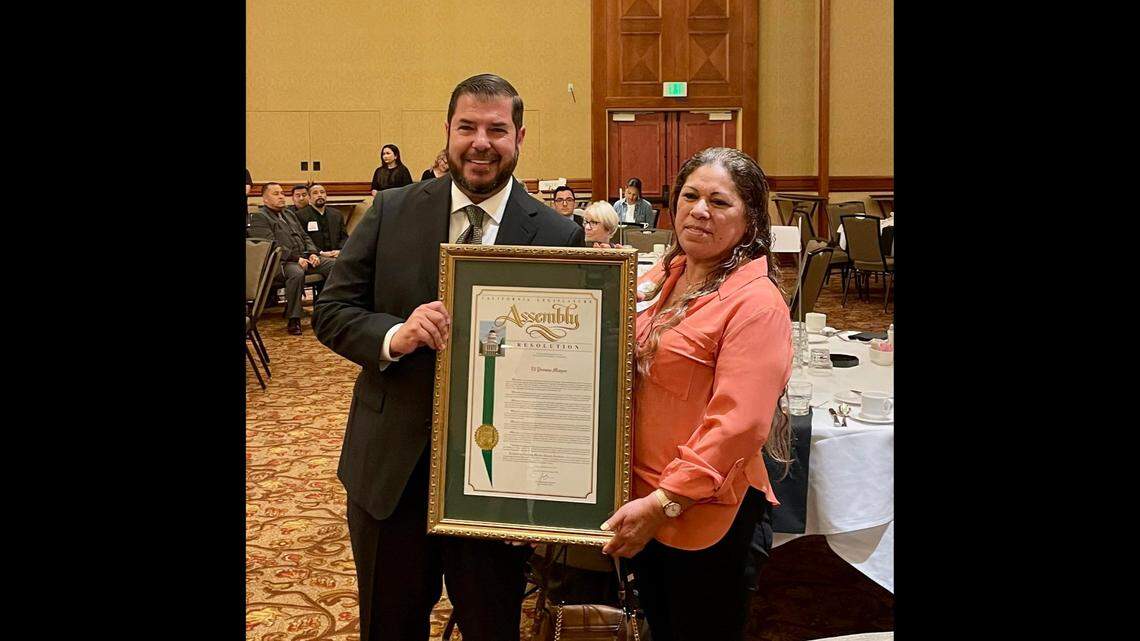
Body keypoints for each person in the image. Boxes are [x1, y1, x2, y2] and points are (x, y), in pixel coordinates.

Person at [312, 73, 584, 641]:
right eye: (467, 127)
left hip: (500, 487)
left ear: (520, 137)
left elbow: (574, 361)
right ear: (448, 132)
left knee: (492, 629)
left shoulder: (557, 231)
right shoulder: (389, 210)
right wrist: (395, 334)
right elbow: (332, 312)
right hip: (391, 477)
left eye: (496, 129)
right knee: (389, 627)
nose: (480, 141)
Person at [599, 147, 793, 641]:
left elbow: (740, 425)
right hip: (642, 500)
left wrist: (665, 501)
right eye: (689, 196)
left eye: (719, 202)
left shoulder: (756, 303)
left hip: (701, 515)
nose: (700, 210)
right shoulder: (665, 275)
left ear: (750, 220)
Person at [249, 182, 337, 335]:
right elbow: (270, 245)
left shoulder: (289, 213)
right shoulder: (259, 217)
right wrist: (297, 258)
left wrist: (312, 253)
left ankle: (327, 309)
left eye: (282, 193)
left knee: (335, 265)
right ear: (265, 199)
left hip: (304, 257)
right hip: (280, 262)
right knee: (296, 273)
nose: (281, 196)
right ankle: (294, 318)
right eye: (276, 194)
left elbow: (304, 236)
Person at [294, 183, 348, 257]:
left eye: (322, 192)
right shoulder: (300, 215)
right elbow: (303, 240)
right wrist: (319, 252)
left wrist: (340, 251)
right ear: (309, 197)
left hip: (337, 254)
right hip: (315, 255)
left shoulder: (337, 214)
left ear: (326, 196)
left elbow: (344, 237)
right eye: (315, 193)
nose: (319, 195)